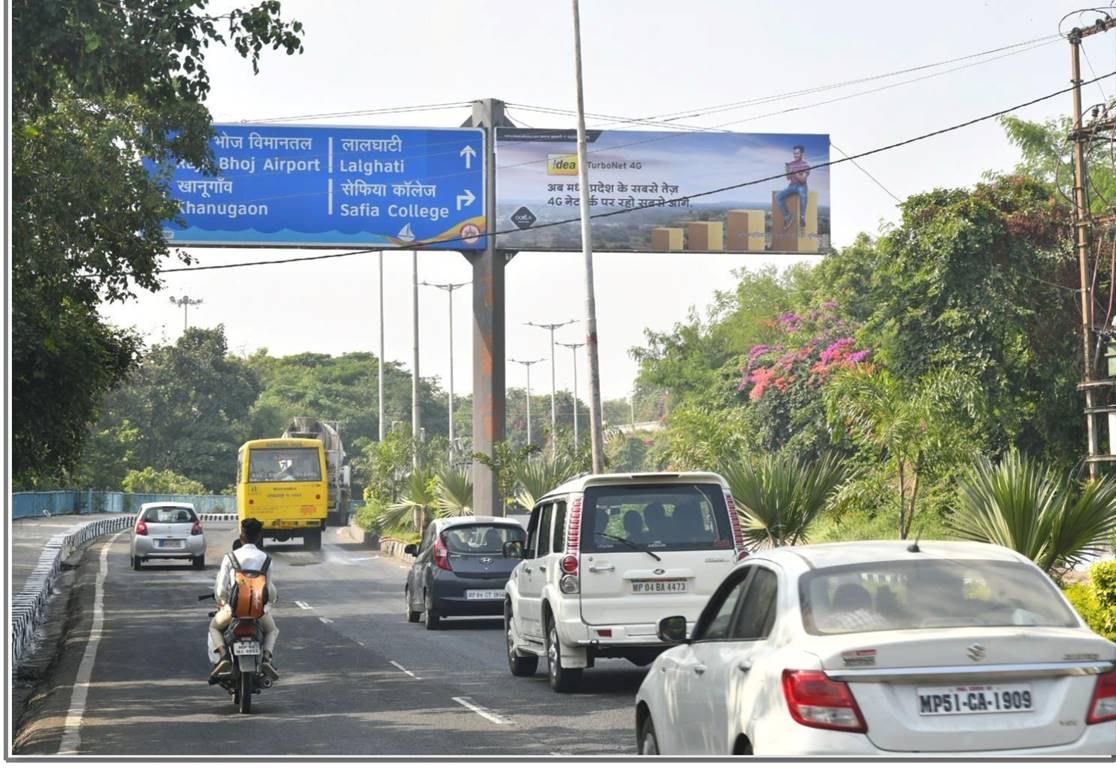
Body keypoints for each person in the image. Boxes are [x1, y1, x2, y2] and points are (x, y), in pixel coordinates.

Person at [209, 517, 280, 683]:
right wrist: (265, 606)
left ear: (241, 537)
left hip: (233, 611)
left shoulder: (230, 557)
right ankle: (266, 658)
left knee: (214, 627)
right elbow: (268, 590)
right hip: (258, 611)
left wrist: (224, 602)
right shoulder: (266, 559)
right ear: (259, 537)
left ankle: (224, 656)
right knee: (272, 630)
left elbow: (220, 589)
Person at [775, 145, 811, 230]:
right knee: (778, 196)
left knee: (803, 195)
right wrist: (787, 170)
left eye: (797, 153)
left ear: (802, 153)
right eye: (794, 153)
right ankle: (788, 217)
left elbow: (803, 180)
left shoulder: (806, 166)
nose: (795, 155)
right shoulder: (791, 164)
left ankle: (802, 217)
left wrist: (794, 172)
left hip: (801, 186)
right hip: (792, 186)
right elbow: (788, 178)